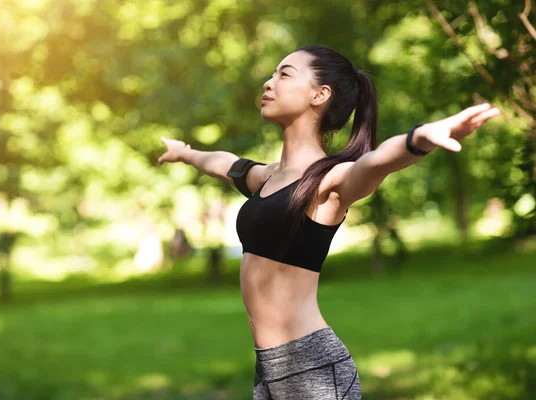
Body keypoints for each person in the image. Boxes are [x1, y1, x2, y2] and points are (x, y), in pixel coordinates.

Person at [157, 45, 500, 399]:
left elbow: (377, 162)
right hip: (271, 367)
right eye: (272, 74)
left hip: (312, 369)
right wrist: (185, 153)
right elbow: (224, 164)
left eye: (284, 74)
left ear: (320, 95)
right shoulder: (269, 177)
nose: (268, 82)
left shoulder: (328, 181)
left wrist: (418, 139)